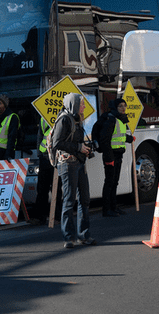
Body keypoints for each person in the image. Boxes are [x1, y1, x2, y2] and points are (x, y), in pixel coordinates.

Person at [50, 92, 95, 249]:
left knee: (85, 199)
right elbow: (57, 143)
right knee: (69, 201)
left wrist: (85, 148)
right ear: (73, 104)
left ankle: (84, 235)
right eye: (81, 103)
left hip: (79, 163)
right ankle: (69, 238)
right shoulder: (64, 119)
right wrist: (78, 147)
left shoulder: (77, 119)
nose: (83, 106)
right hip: (68, 164)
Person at [99, 98, 134, 216]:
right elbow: (105, 140)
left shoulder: (121, 120)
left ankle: (114, 207)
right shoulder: (111, 119)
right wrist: (109, 159)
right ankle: (106, 209)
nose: (123, 108)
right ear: (115, 108)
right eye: (120, 106)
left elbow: (119, 136)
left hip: (118, 155)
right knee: (109, 182)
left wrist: (129, 139)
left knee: (115, 182)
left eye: (125, 105)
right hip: (111, 156)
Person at [29, 117, 54, 225]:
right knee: (42, 188)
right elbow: (40, 135)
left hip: (56, 156)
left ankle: (56, 216)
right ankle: (40, 216)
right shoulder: (44, 117)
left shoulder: (63, 116)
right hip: (44, 156)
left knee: (56, 189)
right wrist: (39, 153)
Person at [0, 93, 20, 161]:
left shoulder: (13, 117)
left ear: (5, 105)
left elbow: (12, 137)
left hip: (4, 153)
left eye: (0, 103)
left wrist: (8, 155)